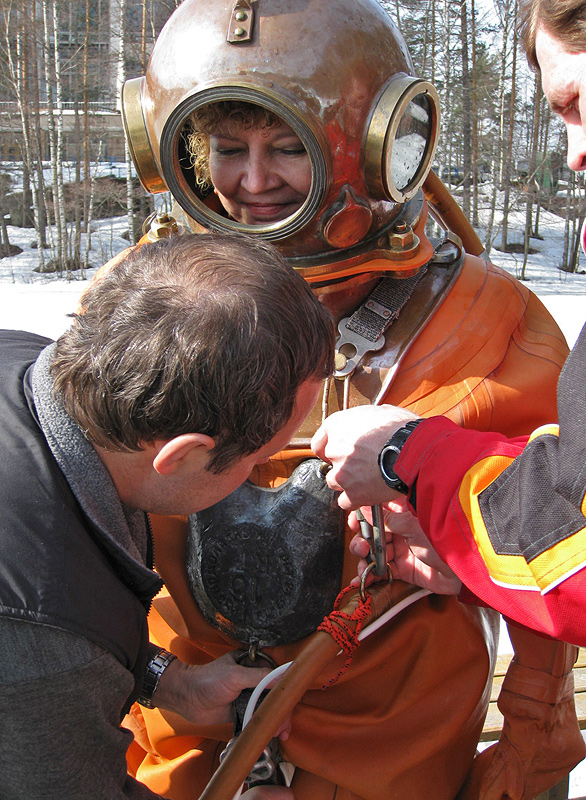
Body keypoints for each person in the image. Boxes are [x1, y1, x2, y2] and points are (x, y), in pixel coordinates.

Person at [115, 1, 585, 798]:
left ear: (374, 148)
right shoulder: (134, 309)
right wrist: (148, 682)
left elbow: (556, 535)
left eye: (286, 147)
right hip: (183, 726)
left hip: (393, 740)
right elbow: (75, 542)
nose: (253, 182)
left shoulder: (483, 327)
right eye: (226, 149)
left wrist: (526, 753)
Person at [0, 231, 335, 800]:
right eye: (256, 460)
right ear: (180, 455)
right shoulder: (45, 631)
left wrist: (166, 680)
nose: (260, 472)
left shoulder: (25, 359)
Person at [311, 0, 586, 651]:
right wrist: (467, 551)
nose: (575, 154)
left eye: (578, 102)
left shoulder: (490, 317)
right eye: (562, 115)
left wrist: (410, 455)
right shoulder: (152, 299)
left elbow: (569, 533)